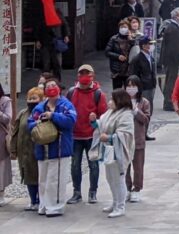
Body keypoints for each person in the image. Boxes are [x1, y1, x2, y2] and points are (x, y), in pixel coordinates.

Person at [29, 78, 78, 218]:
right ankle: (44, 205)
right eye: (48, 86)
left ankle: (56, 206)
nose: (50, 88)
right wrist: (39, 122)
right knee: (43, 179)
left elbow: (71, 121)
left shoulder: (66, 105)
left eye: (53, 85)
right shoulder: (40, 106)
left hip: (60, 148)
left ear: (58, 88)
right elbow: (30, 123)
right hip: (42, 148)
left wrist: (54, 116)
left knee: (56, 179)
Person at [67, 64, 107, 204]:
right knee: (75, 165)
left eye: (87, 73)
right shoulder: (72, 92)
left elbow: (104, 116)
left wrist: (95, 120)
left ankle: (93, 192)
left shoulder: (98, 94)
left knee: (93, 165)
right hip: (75, 135)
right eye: (81, 73)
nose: (84, 76)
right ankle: (76, 192)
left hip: (92, 136)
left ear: (92, 76)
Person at [95, 88, 135, 218]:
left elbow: (126, 133)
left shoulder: (126, 114)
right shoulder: (109, 112)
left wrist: (111, 137)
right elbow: (101, 125)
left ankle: (120, 206)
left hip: (119, 150)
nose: (109, 102)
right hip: (109, 150)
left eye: (112, 99)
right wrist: (93, 122)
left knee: (118, 179)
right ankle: (115, 201)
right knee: (110, 178)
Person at [12, 86, 43, 210]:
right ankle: (32, 200)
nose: (31, 100)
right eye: (29, 98)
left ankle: (40, 200)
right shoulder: (22, 113)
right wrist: (13, 149)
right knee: (27, 176)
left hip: (36, 149)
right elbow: (15, 132)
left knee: (38, 176)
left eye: (34, 98)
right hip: (23, 150)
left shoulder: (42, 113)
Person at [124, 77, 151, 203]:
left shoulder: (144, 102)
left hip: (138, 138)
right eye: (128, 86)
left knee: (138, 166)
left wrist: (136, 111)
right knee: (125, 166)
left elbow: (146, 119)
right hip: (124, 139)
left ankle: (137, 188)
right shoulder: (122, 101)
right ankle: (127, 188)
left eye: (133, 86)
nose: (131, 88)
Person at [160, 7, 179, 112]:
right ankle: (169, 102)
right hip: (171, 60)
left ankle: (169, 101)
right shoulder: (173, 29)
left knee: (170, 80)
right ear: (176, 17)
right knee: (171, 81)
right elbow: (174, 47)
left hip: (169, 59)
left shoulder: (173, 27)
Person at [128, 36, 157, 114]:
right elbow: (133, 75)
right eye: (149, 44)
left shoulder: (151, 58)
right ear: (143, 46)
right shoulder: (137, 59)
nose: (151, 46)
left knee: (149, 106)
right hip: (143, 87)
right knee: (144, 108)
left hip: (151, 85)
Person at [104, 20, 135, 91]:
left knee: (129, 91)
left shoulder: (132, 39)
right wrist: (118, 56)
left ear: (129, 28)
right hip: (117, 70)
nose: (123, 28)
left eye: (125, 27)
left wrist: (131, 39)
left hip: (129, 70)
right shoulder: (114, 39)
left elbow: (136, 50)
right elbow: (107, 52)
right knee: (117, 92)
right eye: (121, 27)